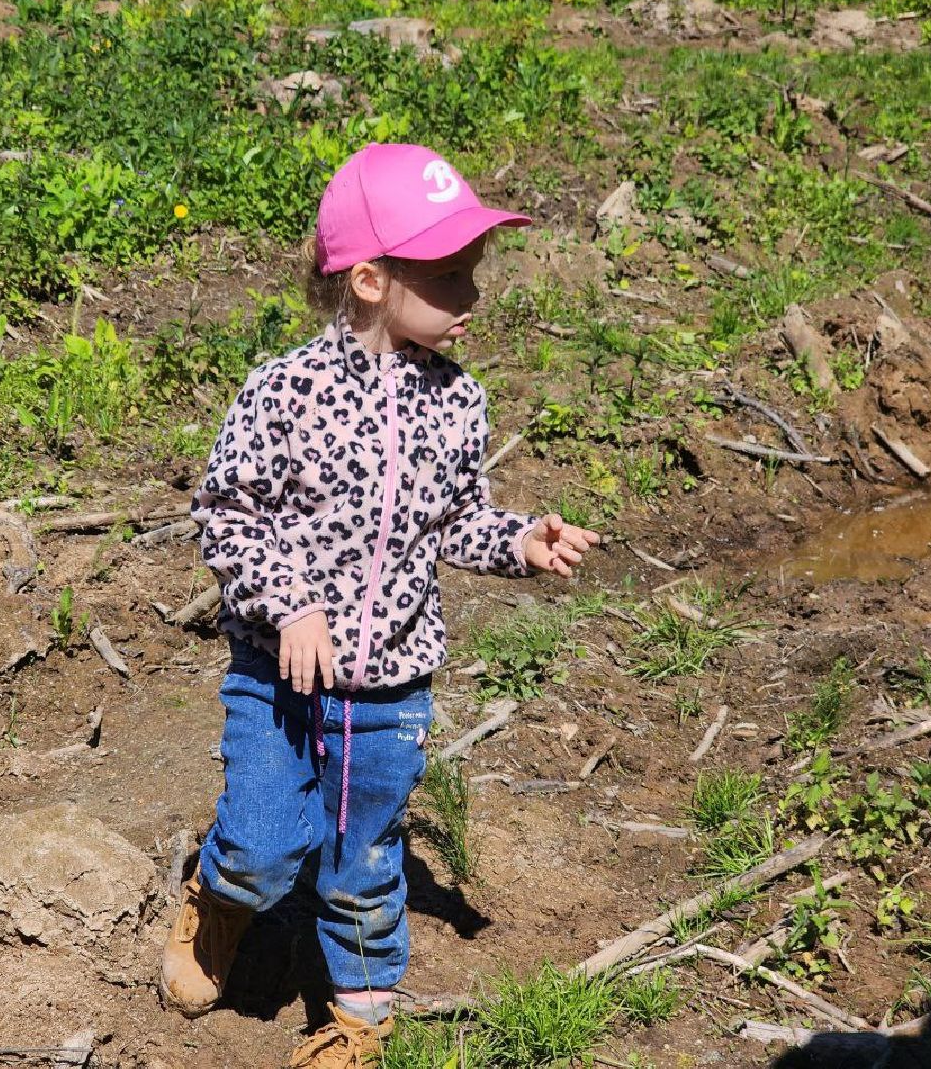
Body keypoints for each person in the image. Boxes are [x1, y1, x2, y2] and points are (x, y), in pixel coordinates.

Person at [160, 142, 602, 1068]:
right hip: (278, 672)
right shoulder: (285, 391)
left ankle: (358, 1020)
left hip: (392, 682)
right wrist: (291, 606)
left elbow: (454, 523)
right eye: (447, 274)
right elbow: (229, 513)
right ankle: (222, 892)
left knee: (364, 857)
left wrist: (518, 541)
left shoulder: (458, 402)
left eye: (472, 269)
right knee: (269, 842)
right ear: (369, 279)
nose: (471, 293)